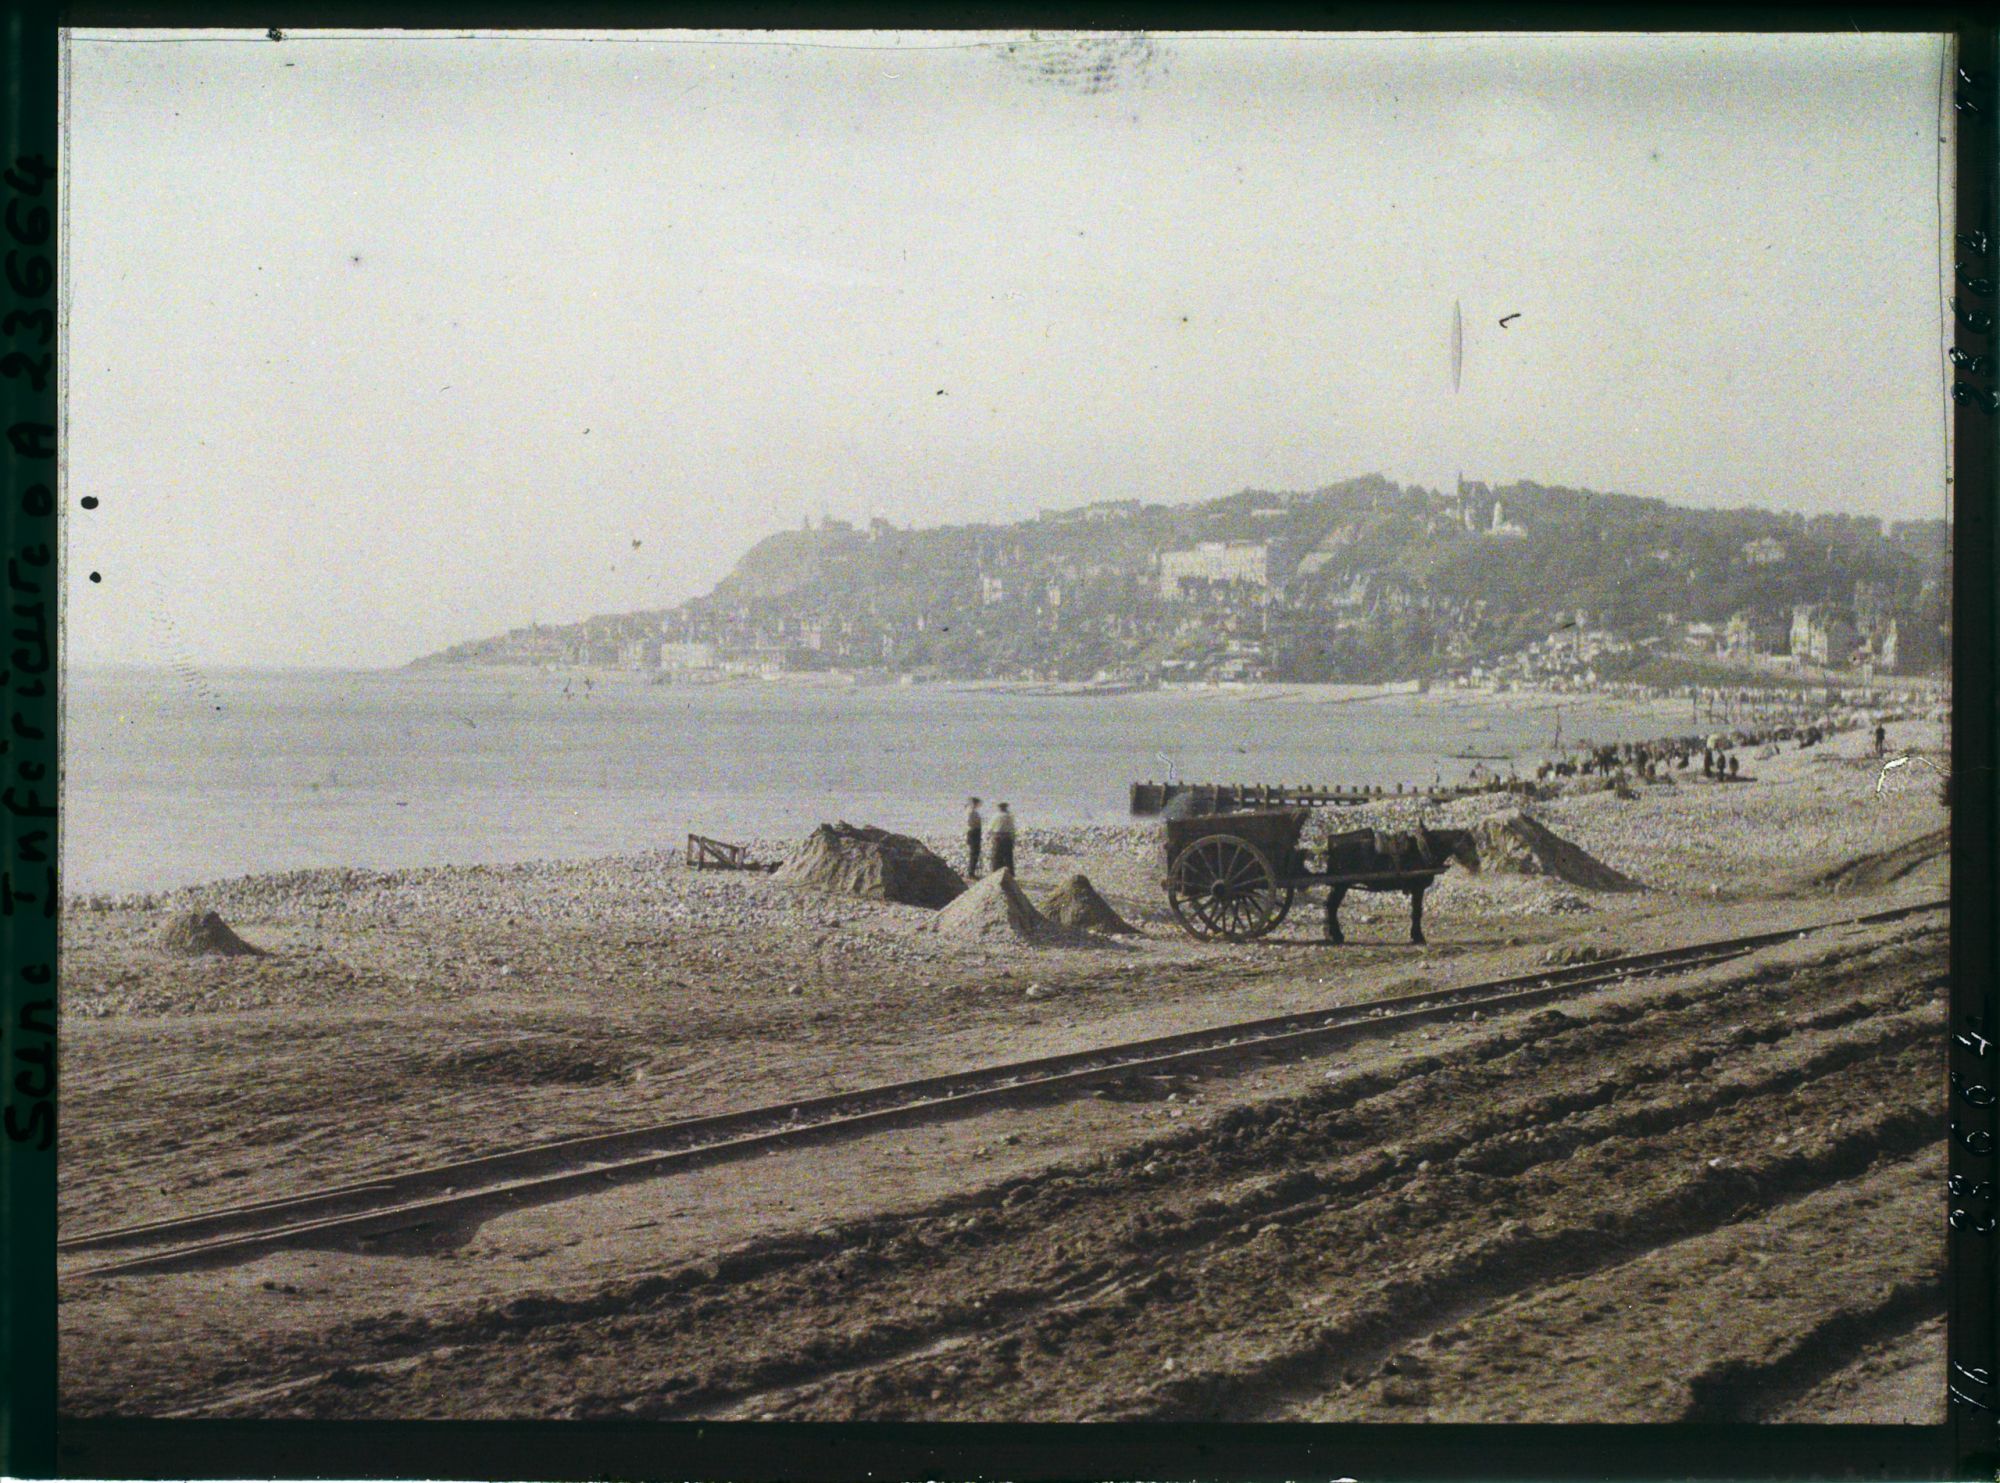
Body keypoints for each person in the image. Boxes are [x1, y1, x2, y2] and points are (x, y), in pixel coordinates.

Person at [990, 801, 1017, 874]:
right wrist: (1013, 839)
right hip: (1007, 837)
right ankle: (1010, 873)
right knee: (1008, 856)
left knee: (997, 856)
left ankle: (996, 872)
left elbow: (991, 828)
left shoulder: (995, 816)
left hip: (998, 837)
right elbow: (1012, 828)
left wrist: (991, 838)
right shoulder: (1009, 816)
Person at [965, 797, 983, 878]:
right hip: (974, 832)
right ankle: (971, 872)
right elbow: (970, 823)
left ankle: (972, 871)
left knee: (975, 852)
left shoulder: (972, 811)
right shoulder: (971, 811)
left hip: (974, 831)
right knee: (974, 852)